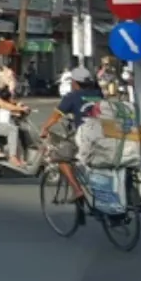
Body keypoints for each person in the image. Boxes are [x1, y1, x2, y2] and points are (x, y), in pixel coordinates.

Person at [39, 65, 103, 193]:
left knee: (61, 157)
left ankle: (77, 190)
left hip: (84, 136)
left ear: (74, 82)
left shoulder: (72, 97)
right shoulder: (98, 94)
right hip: (102, 134)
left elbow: (56, 116)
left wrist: (45, 128)